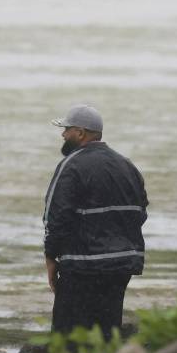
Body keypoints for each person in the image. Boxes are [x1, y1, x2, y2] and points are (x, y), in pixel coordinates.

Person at [43, 104, 148, 338]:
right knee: (106, 334)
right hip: (121, 266)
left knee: (68, 336)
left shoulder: (71, 165)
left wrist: (51, 258)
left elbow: (56, 217)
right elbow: (140, 212)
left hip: (82, 267)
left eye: (66, 129)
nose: (63, 134)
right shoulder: (127, 165)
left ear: (80, 133)